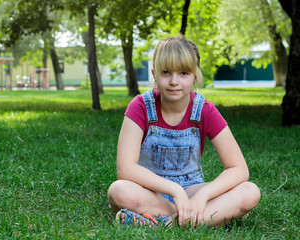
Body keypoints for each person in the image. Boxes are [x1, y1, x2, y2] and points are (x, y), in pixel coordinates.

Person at [107, 35, 260, 228]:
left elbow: (238, 169)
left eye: (183, 73)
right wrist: (174, 190)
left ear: (195, 75)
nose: (174, 81)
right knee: (119, 190)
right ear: (154, 74)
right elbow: (125, 169)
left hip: (192, 191)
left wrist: (203, 196)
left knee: (249, 191)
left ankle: (162, 223)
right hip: (149, 191)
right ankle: (208, 216)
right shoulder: (140, 106)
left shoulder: (205, 110)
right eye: (166, 72)